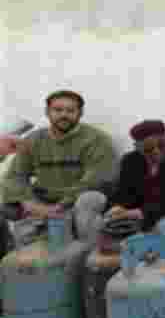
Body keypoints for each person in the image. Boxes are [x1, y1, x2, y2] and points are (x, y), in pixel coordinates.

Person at [1, 90, 117, 251]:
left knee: (90, 198)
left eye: (70, 110)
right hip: (45, 201)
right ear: (47, 112)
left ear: (80, 113)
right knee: (13, 208)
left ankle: (88, 256)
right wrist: (29, 204)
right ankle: (28, 262)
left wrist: (61, 206)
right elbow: (15, 176)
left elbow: (96, 179)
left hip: (77, 200)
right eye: (58, 110)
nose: (64, 115)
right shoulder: (33, 140)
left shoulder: (96, 139)